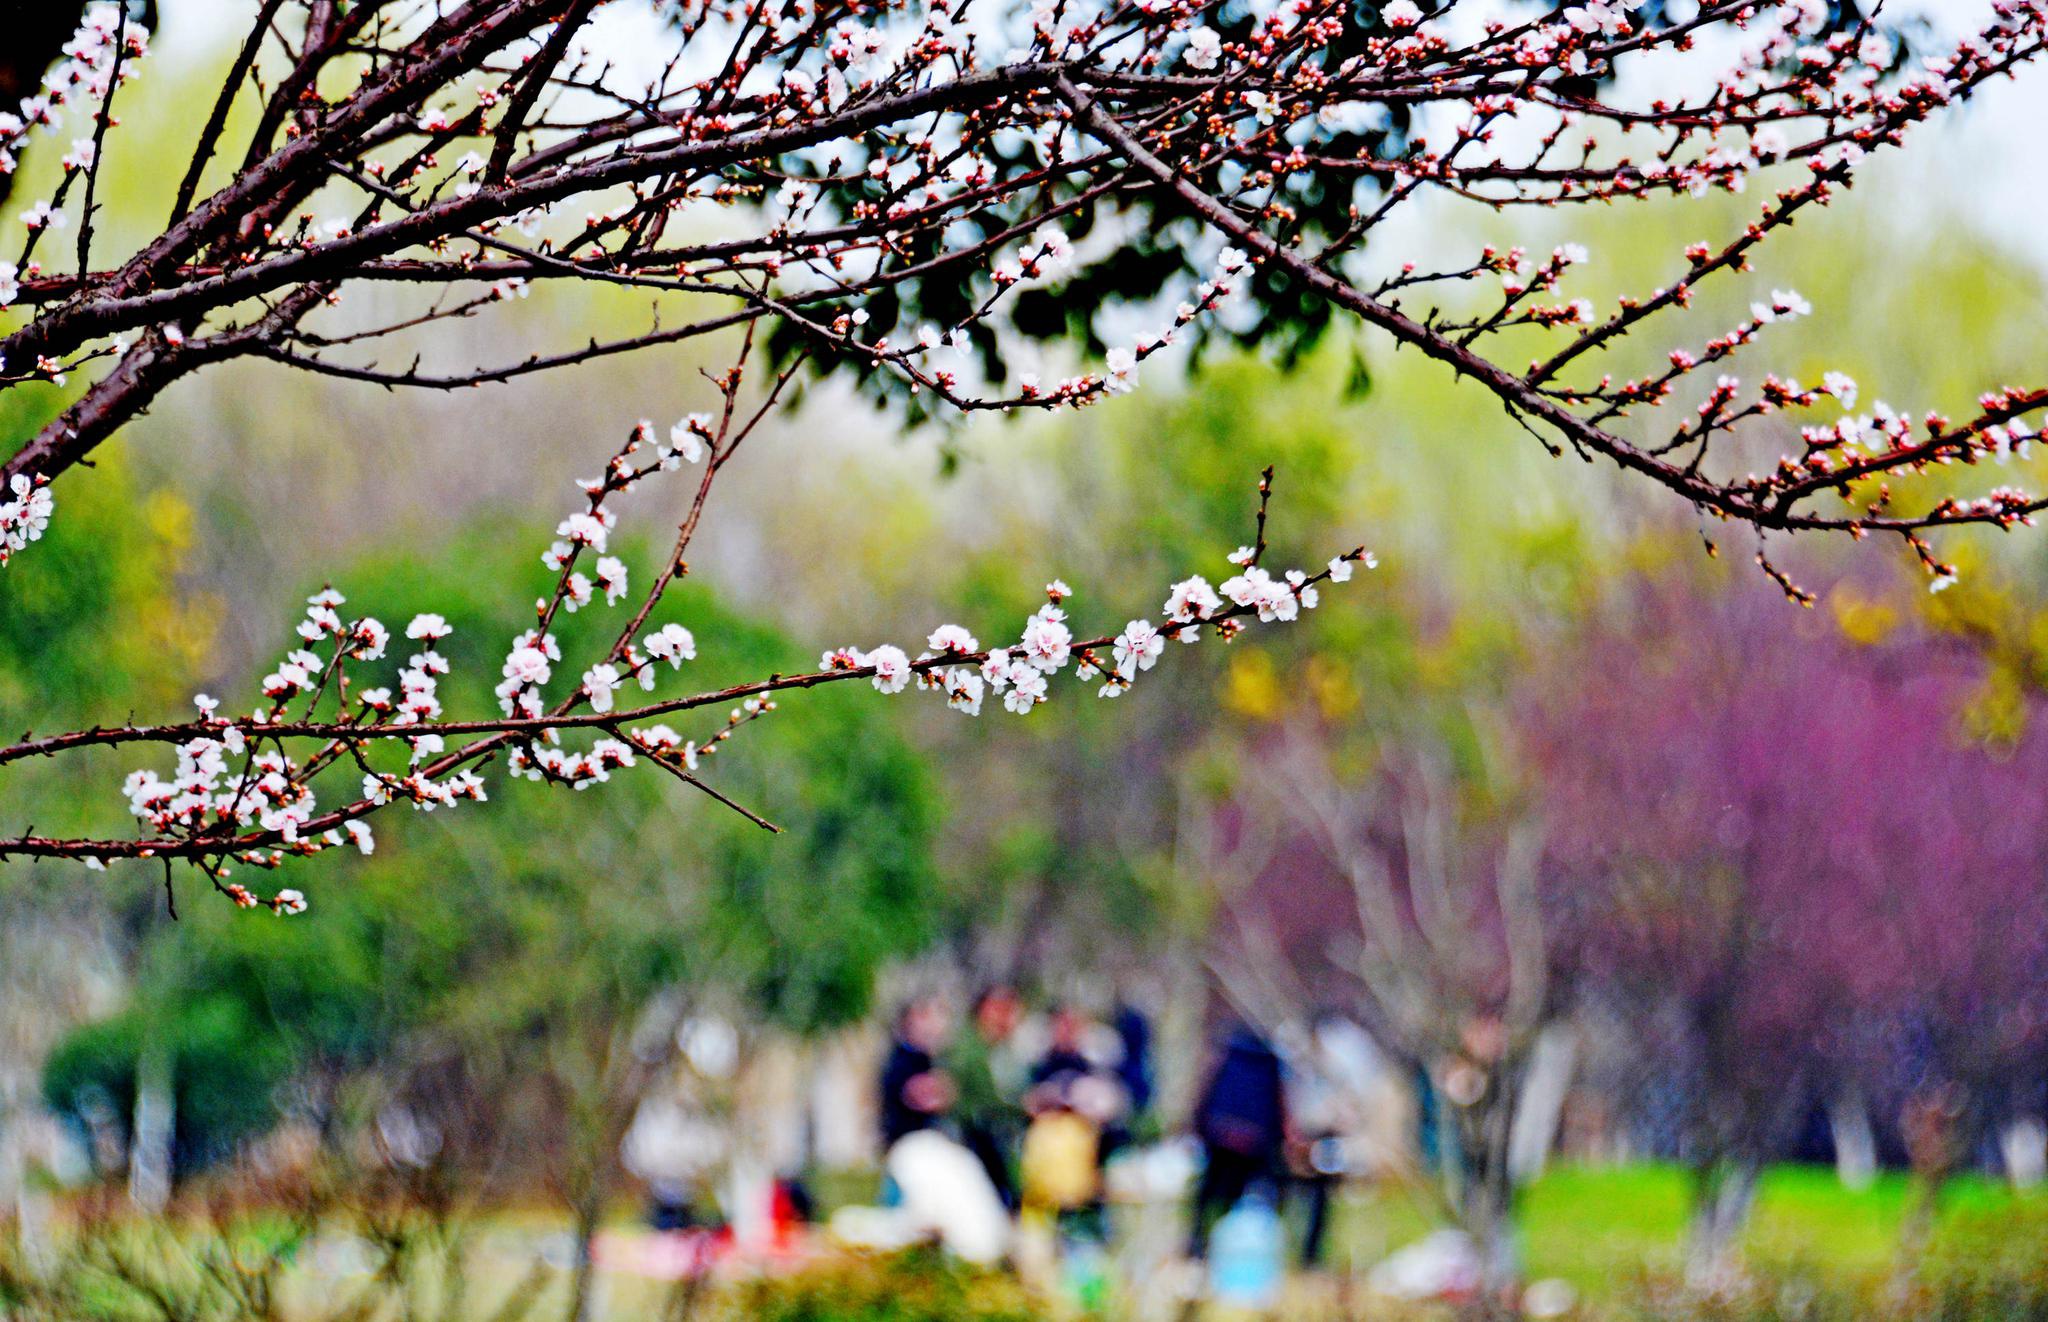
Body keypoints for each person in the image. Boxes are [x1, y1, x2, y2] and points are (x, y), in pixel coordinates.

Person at [1187, 1024, 1288, 1261]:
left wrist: (1199, 1129)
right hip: (1254, 1142)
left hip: (1220, 1138)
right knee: (1245, 1199)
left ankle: (1199, 1244)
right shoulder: (1270, 1063)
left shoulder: (1228, 1057)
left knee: (1209, 1195)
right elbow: (1279, 1108)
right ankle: (1230, 1248)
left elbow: (1207, 1099)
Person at [946, 984, 1027, 1208]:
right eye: (1000, 1009)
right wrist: (1024, 1107)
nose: (1006, 1018)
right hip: (977, 1136)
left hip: (999, 1135)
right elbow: (973, 1101)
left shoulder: (1003, 1050)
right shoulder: (968, 1050)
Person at [878, 996, 955, 1153]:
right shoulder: (903, 1061)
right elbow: (926, 1097)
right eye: (924, 1016)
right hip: (908, 1147)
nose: (933, 1024)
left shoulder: (926, 1059)